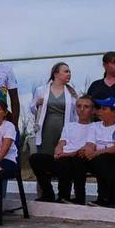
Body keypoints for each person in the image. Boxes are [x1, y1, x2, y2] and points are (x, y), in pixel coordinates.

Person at [29, 62, 78, 200]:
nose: (69, 74)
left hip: (64, 131)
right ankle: (45, 193)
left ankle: (64, 194)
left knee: (63, 161)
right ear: (56, 73)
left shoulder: (72, 92)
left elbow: (76, 114)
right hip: (46, 131)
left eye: (69, 71)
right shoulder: (41, 90)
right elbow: (32, 108)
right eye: (66, 71)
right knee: (43, 161)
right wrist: (37, 104)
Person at [82, 98, 115, 208]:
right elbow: (90, 144)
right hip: (96, 159)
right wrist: (89, 152)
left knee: (104, 161)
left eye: (104, 109)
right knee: (80, 160)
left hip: (114, 159)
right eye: (99, 109)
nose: (99, 111)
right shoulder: (95, 125)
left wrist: (96, 153)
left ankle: (107, 198)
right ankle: (78, 197)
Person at [50, 95, 97, 205]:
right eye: (79, 106)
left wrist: (67, 154)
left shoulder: (95, 126)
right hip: (64, 156)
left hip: (80, 158)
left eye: (86, 107)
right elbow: (62, 142)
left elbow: (88, 146)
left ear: (93, 110)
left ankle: (78, 197)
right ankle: (51, 194)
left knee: (75, 160)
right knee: (37, 159)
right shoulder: (69, 126)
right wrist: (58, 150)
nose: (82, 110)